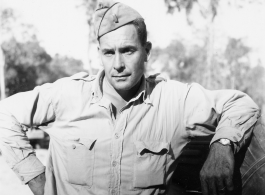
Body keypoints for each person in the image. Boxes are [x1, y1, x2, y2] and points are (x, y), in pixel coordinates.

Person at [0, 1, 262, 195]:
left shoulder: (172, 100)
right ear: (100, 54)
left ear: (146, 51)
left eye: (127, 51)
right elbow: (4, 115)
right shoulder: (67, 96)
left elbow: (241, 104)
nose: (117, 64)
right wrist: (37, 179)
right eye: (108, 53)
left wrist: (222, 145)